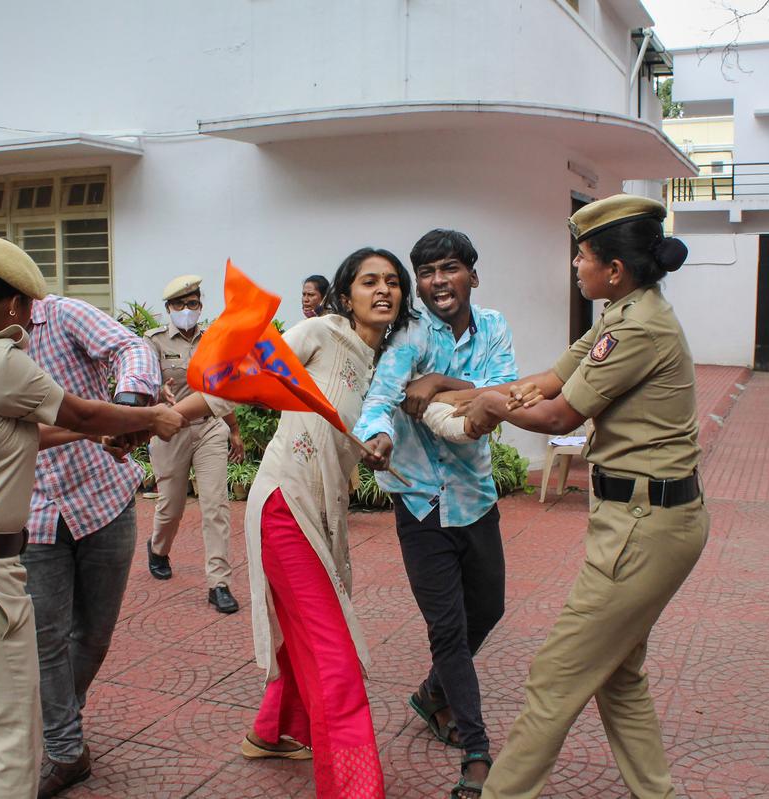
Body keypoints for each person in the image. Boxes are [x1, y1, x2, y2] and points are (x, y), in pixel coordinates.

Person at [0, 234, 185, 799]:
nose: (30, 314)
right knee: (11, 732)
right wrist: (151, 418)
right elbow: (77, 409)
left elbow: (25, 431)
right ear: (6, 305)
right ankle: (60, 752)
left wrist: (118, 421)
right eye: (25, 303)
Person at [453, 194, 709, 799]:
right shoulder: (621, 314)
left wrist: (491, 408)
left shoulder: (639, 327)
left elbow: (559, 412)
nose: (574, 263)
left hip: (645, 524)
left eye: (583, 254)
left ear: (613, 269)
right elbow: (545, 380)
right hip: (643, 516)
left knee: (557, 673)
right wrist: (462, 395)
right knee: (617, 675)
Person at [171, 249, 416, 798]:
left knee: (301, 635)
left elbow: (398, 421)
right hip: (285, 504)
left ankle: (275, 731)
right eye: (369, 281)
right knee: (335, 653)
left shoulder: (390, 365)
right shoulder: (320, 333)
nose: (384, 290)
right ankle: (354, 788)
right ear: (345, 293)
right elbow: (234, 379)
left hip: (326, 515)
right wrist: (160, 420)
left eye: (394, 283)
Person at [353, 229, 517, 799]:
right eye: (425, 272)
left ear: (473, 273)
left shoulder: (494, 327)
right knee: (447, 628)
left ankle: (430, 694)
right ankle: (476, 751)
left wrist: (440, 382)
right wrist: (374, 436)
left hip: (476, 498)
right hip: (420, 501)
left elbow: (502, 395)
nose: (437, 281)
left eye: (448, 268)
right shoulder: (407, 336)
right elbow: (380, 396)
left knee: (488, 610)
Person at [22, 283, 164, 797]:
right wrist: (109, 422)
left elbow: (132, 347)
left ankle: (61, 719)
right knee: (46, 638)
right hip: (32, 513)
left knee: (94, 634)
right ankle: (64, 748)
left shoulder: (61, 315)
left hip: (102, 497)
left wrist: (127, 403)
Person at [143, 274, 245, 614]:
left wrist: (233, 429)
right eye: (179, 305)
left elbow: (223, 388)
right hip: (169, 431)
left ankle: (220, 583)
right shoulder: (153, 341)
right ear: (168, 308)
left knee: (216, 506)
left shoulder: (215, 338)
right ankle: (158, 548)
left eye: (193, 304)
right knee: (171, 505)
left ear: (201, 305)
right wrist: (158, 392)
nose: (187, 310)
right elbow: (143, 382)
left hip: (210, 428)